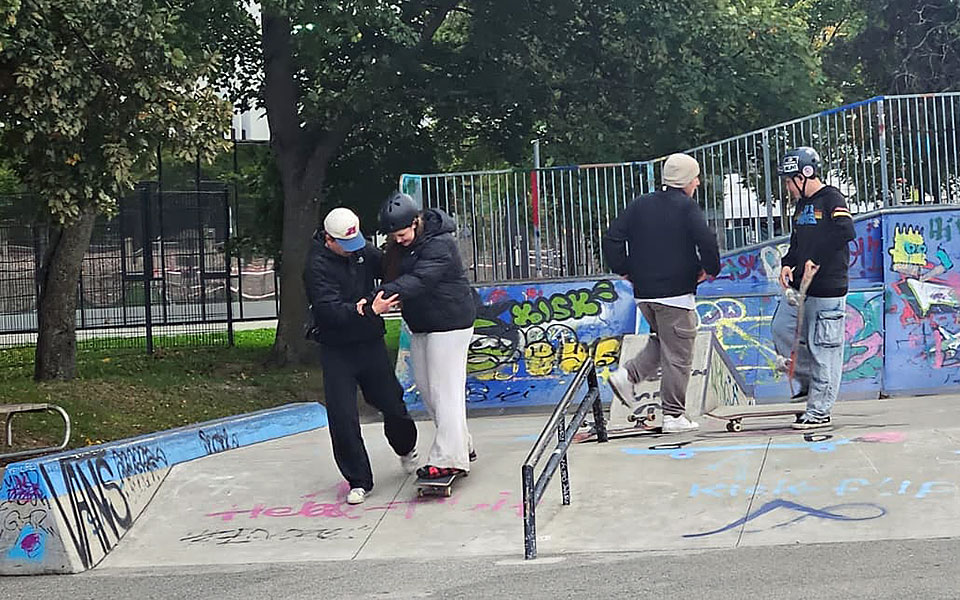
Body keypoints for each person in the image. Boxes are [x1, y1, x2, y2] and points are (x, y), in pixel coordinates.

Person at [304, 207, 418, 505]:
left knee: (392, 402)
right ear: (329, 240)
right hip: (337, 348)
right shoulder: (316, 266)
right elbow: (330, 311)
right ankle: (358, 480)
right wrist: (369, 309)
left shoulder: (360, 251)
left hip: (369, 342)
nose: (353, 251)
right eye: (346, 245)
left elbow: (388, 268)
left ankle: (406, 449)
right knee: (343, 417)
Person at [359, 191, 476, 479]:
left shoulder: (440, 244)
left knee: (444, 389)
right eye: (393, 236)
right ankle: (462, 444)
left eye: (401, 234)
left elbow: (419, 279)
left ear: (416, 221)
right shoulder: (402, 247)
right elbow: (388, 268)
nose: (398, 240)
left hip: (450, 322)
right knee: (428, 390)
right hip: (423, 323)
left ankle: (449, 457)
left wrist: (377, 298)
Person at [602, 153, 721, 433]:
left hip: (645, 294)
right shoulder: (686, 207)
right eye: (695, 178)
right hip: (676, 295)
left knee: (663, 341)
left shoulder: (640, 204)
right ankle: (674, 416)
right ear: (687, 181)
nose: (698, 183)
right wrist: (710, 269)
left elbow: (612, 238)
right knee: (679, 355)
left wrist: (625, 269)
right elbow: (707, 240)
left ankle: (626, 376)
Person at [773, 146, 855, 430]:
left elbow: (846, 231)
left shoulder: (832, 198)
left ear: (804, 175)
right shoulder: (801, 207)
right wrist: (788, 262)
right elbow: (797, 242)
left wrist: (815, 259)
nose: (787, 187)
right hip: (802, 288)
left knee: (824, 349)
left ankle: (820, 411)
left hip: (828, 288)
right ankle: (808, 383)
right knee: (781, 328)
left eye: (788, 180)